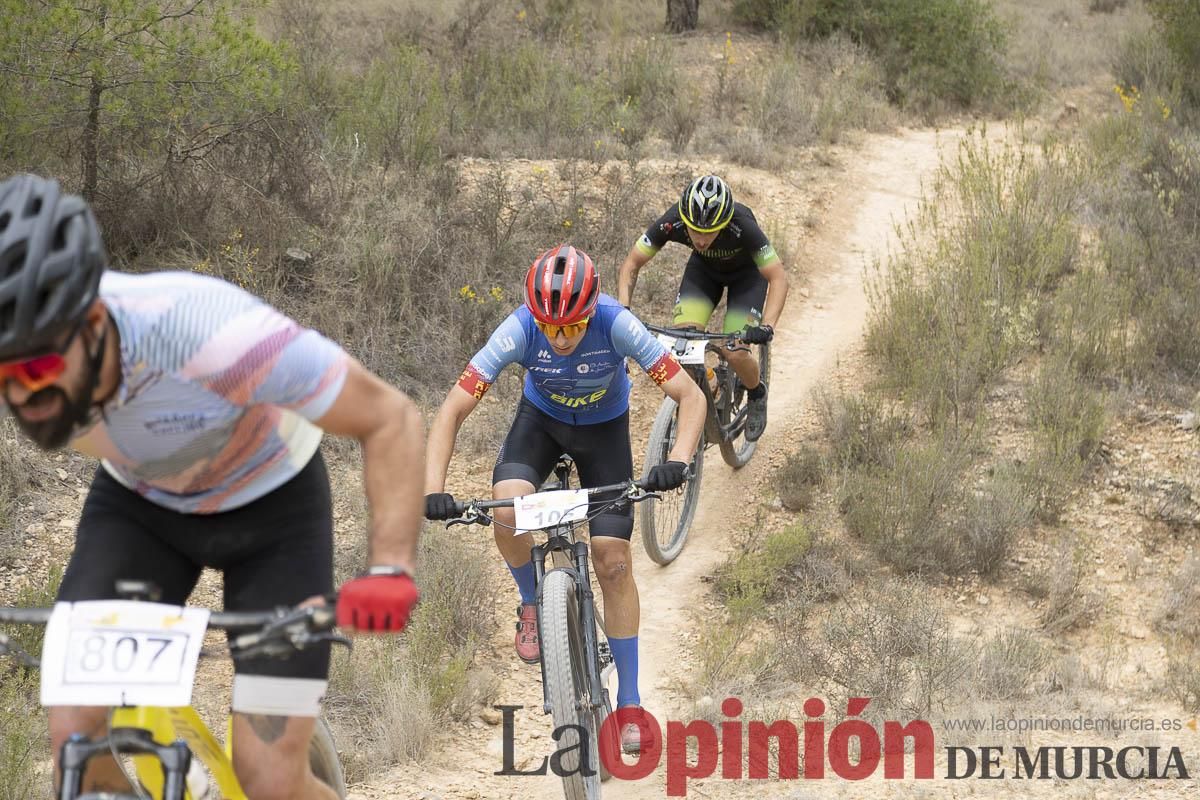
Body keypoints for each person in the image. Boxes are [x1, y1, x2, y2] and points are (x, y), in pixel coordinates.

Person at [0, 173, 424, 800]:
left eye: (38, 366)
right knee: (76, 739)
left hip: (274, 510)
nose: (22, 393)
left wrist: (390, 566)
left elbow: (390, 418)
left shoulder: (204, 334)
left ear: (92, 323)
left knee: (268, 777)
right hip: (142, 510)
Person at [423, 244, 705, 753]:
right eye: (550, 327)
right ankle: (533, 603)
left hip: (604, 433)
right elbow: (451, 410)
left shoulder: (618, 324)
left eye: (572, 326)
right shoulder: (518, 329)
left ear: (591, 310)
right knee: (505, 509)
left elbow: (690, 395)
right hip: (542, 425)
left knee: (613, 562)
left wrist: (678, 461)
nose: (560, 336)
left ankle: (631, 702)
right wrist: (434, 489)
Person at [617, 174, 788, 442]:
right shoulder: (672, 220)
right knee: (683, 345)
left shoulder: (742, 224)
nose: (701, 239)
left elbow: (778, 277)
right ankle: (711, 386)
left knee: (735, 352)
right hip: (704, 274)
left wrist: (767, 327)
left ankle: (756, 392)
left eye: (710, 232)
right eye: (695, 230)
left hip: (747, 277)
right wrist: (623, 310)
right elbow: (632, 264)